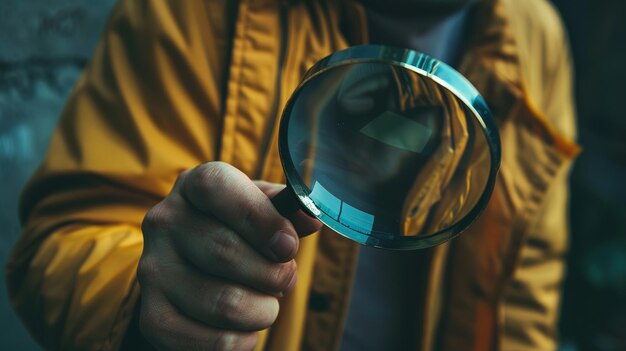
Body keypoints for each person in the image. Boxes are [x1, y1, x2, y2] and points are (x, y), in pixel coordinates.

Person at [5, 0, 579, 350]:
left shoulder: (538, 37)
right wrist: (145, 313)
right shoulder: (191, 8)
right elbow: (60, 243)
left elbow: (521, 299)